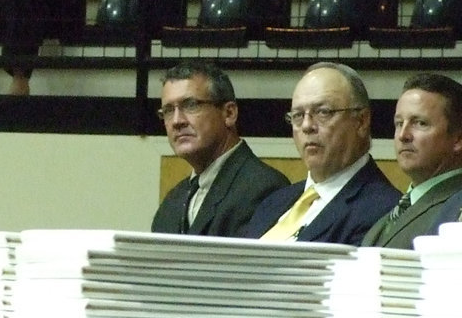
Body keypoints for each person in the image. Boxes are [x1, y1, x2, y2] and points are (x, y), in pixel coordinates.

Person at [244, 62, 399, 244]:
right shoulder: (273, 202)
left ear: (361, 121)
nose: (307, 126)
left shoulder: (383, 211)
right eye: (298, 115)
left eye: (323, 112)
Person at [152, 62, 289, 236]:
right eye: (168, 110)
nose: (177, 121)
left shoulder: (265, 189)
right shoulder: (172, 201)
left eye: (191, 105)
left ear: (229, 113)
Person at [361, 74, 462, 248]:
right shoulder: (393, 213)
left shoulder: (455, 210)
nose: (403, 135)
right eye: (399, 123)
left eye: (420, 123)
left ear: (458, 139)